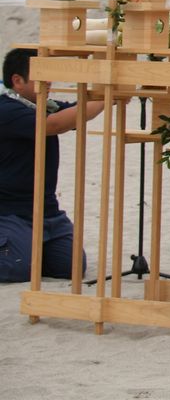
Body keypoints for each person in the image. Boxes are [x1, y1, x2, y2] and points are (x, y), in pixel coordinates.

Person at [0, 48, 107, 282]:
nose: (49, 81)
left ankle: (29, 245)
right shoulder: (5, 108)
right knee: (17, 268)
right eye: (41, 75)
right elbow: (53, 125)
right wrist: (107, 97)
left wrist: (109, 92)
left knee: (71, 268)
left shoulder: (40, 104)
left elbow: (75, 111)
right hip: (9, 212)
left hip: (47, 212)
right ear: (17, 81)